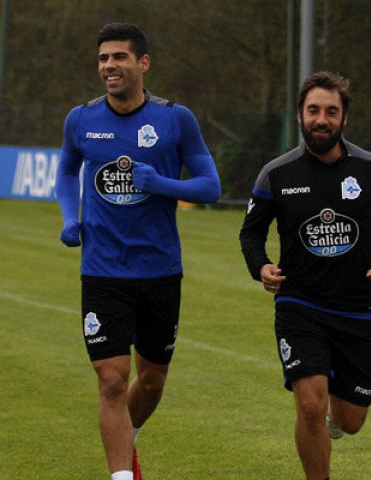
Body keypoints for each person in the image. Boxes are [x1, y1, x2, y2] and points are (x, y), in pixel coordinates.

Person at [56, 22, 221, 480]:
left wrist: (162, 184)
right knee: (111, 379)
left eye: (120, 57)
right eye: (104, 58)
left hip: (159, 270)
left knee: (151, 381)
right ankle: (122, 475)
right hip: (103, 269)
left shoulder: (175, 119)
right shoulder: (81, 119)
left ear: (143, 63)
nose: (110, 66)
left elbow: (211, 185)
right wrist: (71, 217)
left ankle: (129, 441)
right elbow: (68, 172)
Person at [239, 71, 371, 480]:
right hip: (300, 305)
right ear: (299, 115)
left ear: (344, 117)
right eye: (313, 110)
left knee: (350, 420)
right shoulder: (276, 174)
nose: (321, 119)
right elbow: (251, 232)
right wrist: (260, 265)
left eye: (331, 111)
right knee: (310, 404)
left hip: (358, 307)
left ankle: (338, 407)